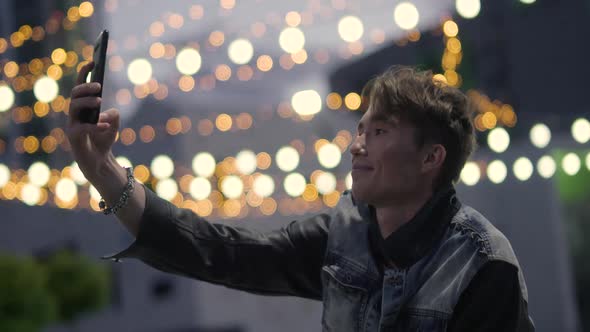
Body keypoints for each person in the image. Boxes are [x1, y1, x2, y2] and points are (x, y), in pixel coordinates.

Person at [67, 63, 534, 331]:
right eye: (360, 130)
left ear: (432, 158)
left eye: (380, 131)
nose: (357, 145)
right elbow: (220, 251)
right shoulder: (345, 235)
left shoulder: (482, 264)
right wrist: (102, 170)